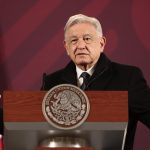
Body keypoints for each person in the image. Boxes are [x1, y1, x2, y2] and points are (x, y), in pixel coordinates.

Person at [41, 14, 150, 149]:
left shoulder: (128, 77)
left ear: (102, 43)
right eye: (74, 40)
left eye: (87, 39)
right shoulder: (52, 82)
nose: (81, 45)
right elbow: (41, 132)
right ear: (66, 47)